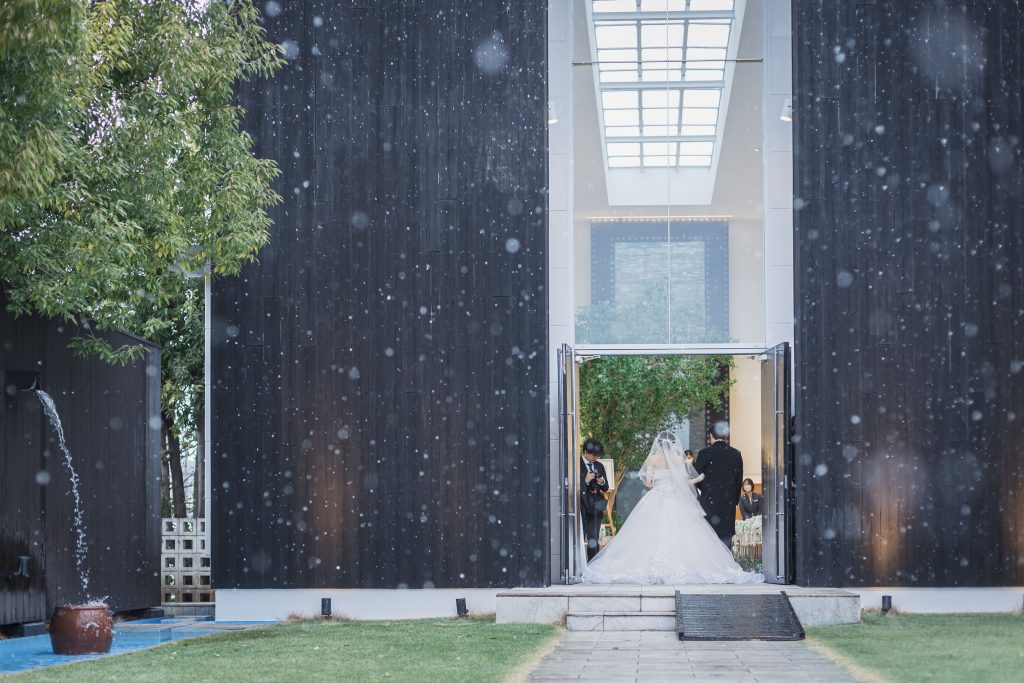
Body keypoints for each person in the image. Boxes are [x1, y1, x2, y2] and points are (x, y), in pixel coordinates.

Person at [583, 431, 762, 584]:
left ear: (659, 444)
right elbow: (683, 481)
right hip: (675, 499)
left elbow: (649, 483)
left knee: (646, 532)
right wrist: (698, 479)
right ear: (674, 444)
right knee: (684, 532)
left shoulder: (653, 459)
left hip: (656, 497)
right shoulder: (678, 459)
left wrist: (659, 481)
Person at [694, 423, 744, 549]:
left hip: (709, 501)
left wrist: (705, 490)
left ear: (711, 435)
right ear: (726, 436)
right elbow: (738, 480)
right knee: (725, 541)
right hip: (728, 503)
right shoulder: (736, 453)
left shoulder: (704, 453)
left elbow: (696, 477)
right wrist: (734, 500)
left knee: (708, 538)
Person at [579, 438, 609, 561]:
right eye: (594, 455)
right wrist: (585, 480)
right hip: (581, 505)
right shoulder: (575, 464)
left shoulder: (599, 466)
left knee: (593, 539)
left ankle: (592, 564)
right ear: (586, 452)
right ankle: (579, 565)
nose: (596, 458)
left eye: (598, 456)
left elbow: (606, 488)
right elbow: (571, 486)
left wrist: (602, 482)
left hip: (596, 506)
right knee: (579, 538)